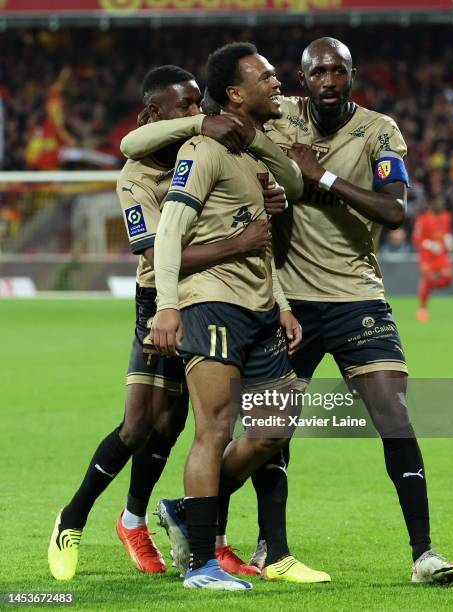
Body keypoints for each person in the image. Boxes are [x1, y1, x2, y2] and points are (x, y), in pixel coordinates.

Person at [48, 65, 287, 581]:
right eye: (183, 106)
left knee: (190, 426)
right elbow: (156, 255)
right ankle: (72, 518)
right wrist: (235, 244)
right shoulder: (136, 173)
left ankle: (155, 525)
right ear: (155, 114)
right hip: (158, 300)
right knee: (141, 425)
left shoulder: (205, 151)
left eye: (199, 103)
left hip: (213, 300)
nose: (196, 113)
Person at [275, 37, 453, 585]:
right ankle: (267, 545)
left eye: (338, 71)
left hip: (357, 294)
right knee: (269, 427)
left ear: (352, 75)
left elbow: (396, 210)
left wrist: (323, 178)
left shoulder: (379, 130)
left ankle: (423, 553)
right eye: (318, 72)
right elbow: (222, 115)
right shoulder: (279, 117)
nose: (328, 81)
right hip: (290, 301)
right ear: (302, 78)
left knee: (393, 412)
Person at [149, 42, 330, 590]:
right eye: (266, 77)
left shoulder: (252, 150)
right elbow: (170, 231)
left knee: (275, 428)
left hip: (259, 306)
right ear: (234, 93)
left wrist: (279, 301)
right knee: (216, 430)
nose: (278, 83)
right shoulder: (202, 150)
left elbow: (288, 198)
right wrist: (166, 305)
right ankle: (202, 564)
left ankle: (188, 511)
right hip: (211, 301)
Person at [412, 197, 453, 321]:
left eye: (441, 203)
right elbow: (416, 239)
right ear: (432, 205)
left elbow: (445, 232)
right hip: (427, 255)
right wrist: (429, 244)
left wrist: (448, 240)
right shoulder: (422, 220)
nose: (440, 205)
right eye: (437, 203)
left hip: (440, 254)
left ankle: (427, 285)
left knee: (448, 278)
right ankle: (422, 309)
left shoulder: (446, 217)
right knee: (428, 277)